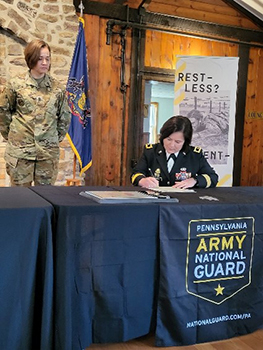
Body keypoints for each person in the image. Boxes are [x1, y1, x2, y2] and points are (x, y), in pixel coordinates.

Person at [0, 39, 71, 186]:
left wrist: (51, 140)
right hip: (21, 153)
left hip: (47, 155)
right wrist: (14, 136)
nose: (45, 63)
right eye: (40, 59)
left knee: (45, 198)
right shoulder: (15, 85)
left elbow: (64, 117)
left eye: (47, 58)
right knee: (19, 200)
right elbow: (3, 112)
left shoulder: (57, 89)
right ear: (31, 59)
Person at [131, 115, 218, 189]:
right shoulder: (150, 152)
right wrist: (142, 180)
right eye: (168, 139)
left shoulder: (194, 155)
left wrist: (195, 180)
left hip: (184, 204)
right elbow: (135, 174)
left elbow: (213, 178)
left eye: (178, 142)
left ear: (185, 142)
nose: (172, 145)